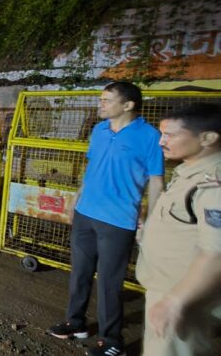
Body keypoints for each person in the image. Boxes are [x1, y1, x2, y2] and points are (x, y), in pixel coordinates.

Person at [47, 82, 164, 356]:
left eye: (107, 100)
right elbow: (92, 169)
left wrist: (149, 220)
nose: (101, 104)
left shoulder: (149, 136)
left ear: (128, 105)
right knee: (80, 273)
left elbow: (157, 182)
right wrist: (77, 198)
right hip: (86, 213)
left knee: (110, 282)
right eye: (101, 99)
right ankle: (75, 322)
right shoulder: (99, 131)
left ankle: (112, 341)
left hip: (118, 220)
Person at [136, 103, 221, 356]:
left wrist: (175, 302)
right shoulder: (190, 171)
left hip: (184, 296)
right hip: (168, 290)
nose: (161, 141)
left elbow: (216, 255)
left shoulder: (213, 184)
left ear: (208, 138)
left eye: (170, 135)